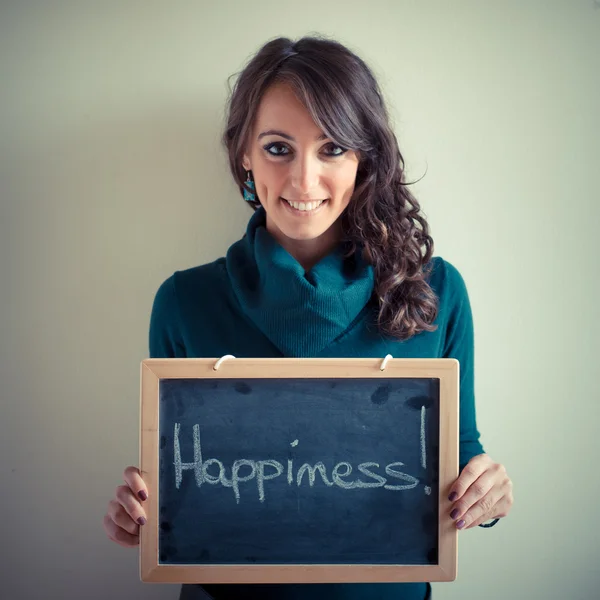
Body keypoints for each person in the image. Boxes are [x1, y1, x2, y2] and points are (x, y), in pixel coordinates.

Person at [103, 35, 514, 600]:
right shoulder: (184, 303)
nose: (303, 181)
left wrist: (487, 494)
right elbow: (179, 489)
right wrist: (141, 514)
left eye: (332, 148)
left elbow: (460, 464)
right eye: (278, 148)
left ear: (365, 158)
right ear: (243, 153)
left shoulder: (434, 293)